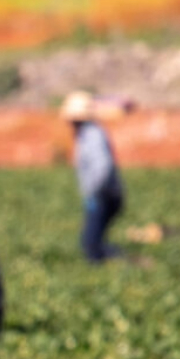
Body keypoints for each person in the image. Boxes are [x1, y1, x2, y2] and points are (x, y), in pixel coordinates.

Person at [61, 91, 125, 263]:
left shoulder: (92, 134)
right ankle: (115, 263)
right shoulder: (85, 134)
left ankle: (121, 263)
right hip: (100, 195)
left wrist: (95, 192)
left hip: (103, 196)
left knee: (91, 244)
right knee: (92, 242)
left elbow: (103, 166)